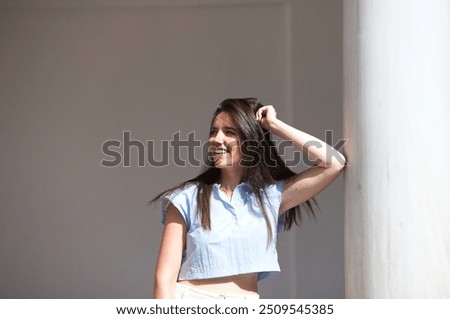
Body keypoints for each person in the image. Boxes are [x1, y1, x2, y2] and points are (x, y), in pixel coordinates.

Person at [151, 97, 346, 299]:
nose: (216, 139)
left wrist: (275, 126)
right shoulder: (187, 197)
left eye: (229, 132)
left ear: (250, 140)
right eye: (213, 131)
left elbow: (334, 163)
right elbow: (163, 280)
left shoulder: (270, 197)